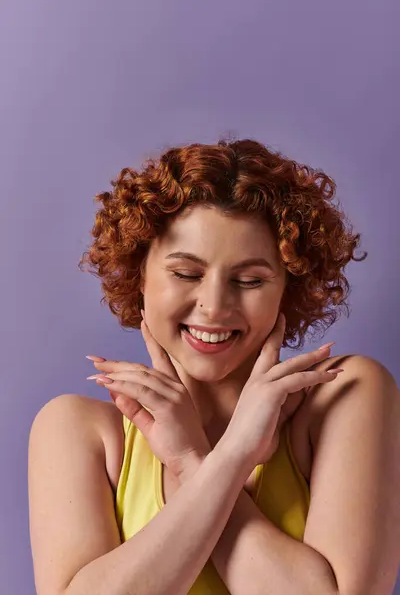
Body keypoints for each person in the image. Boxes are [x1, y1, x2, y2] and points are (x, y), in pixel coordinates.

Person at [28, 138, 400, 595]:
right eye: (186, 273)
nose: (214, 307)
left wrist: (191, 461)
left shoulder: (343, 394)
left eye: (250, 280)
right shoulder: (77, 430)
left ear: (290, 286)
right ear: (138, 273)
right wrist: (226, 459)